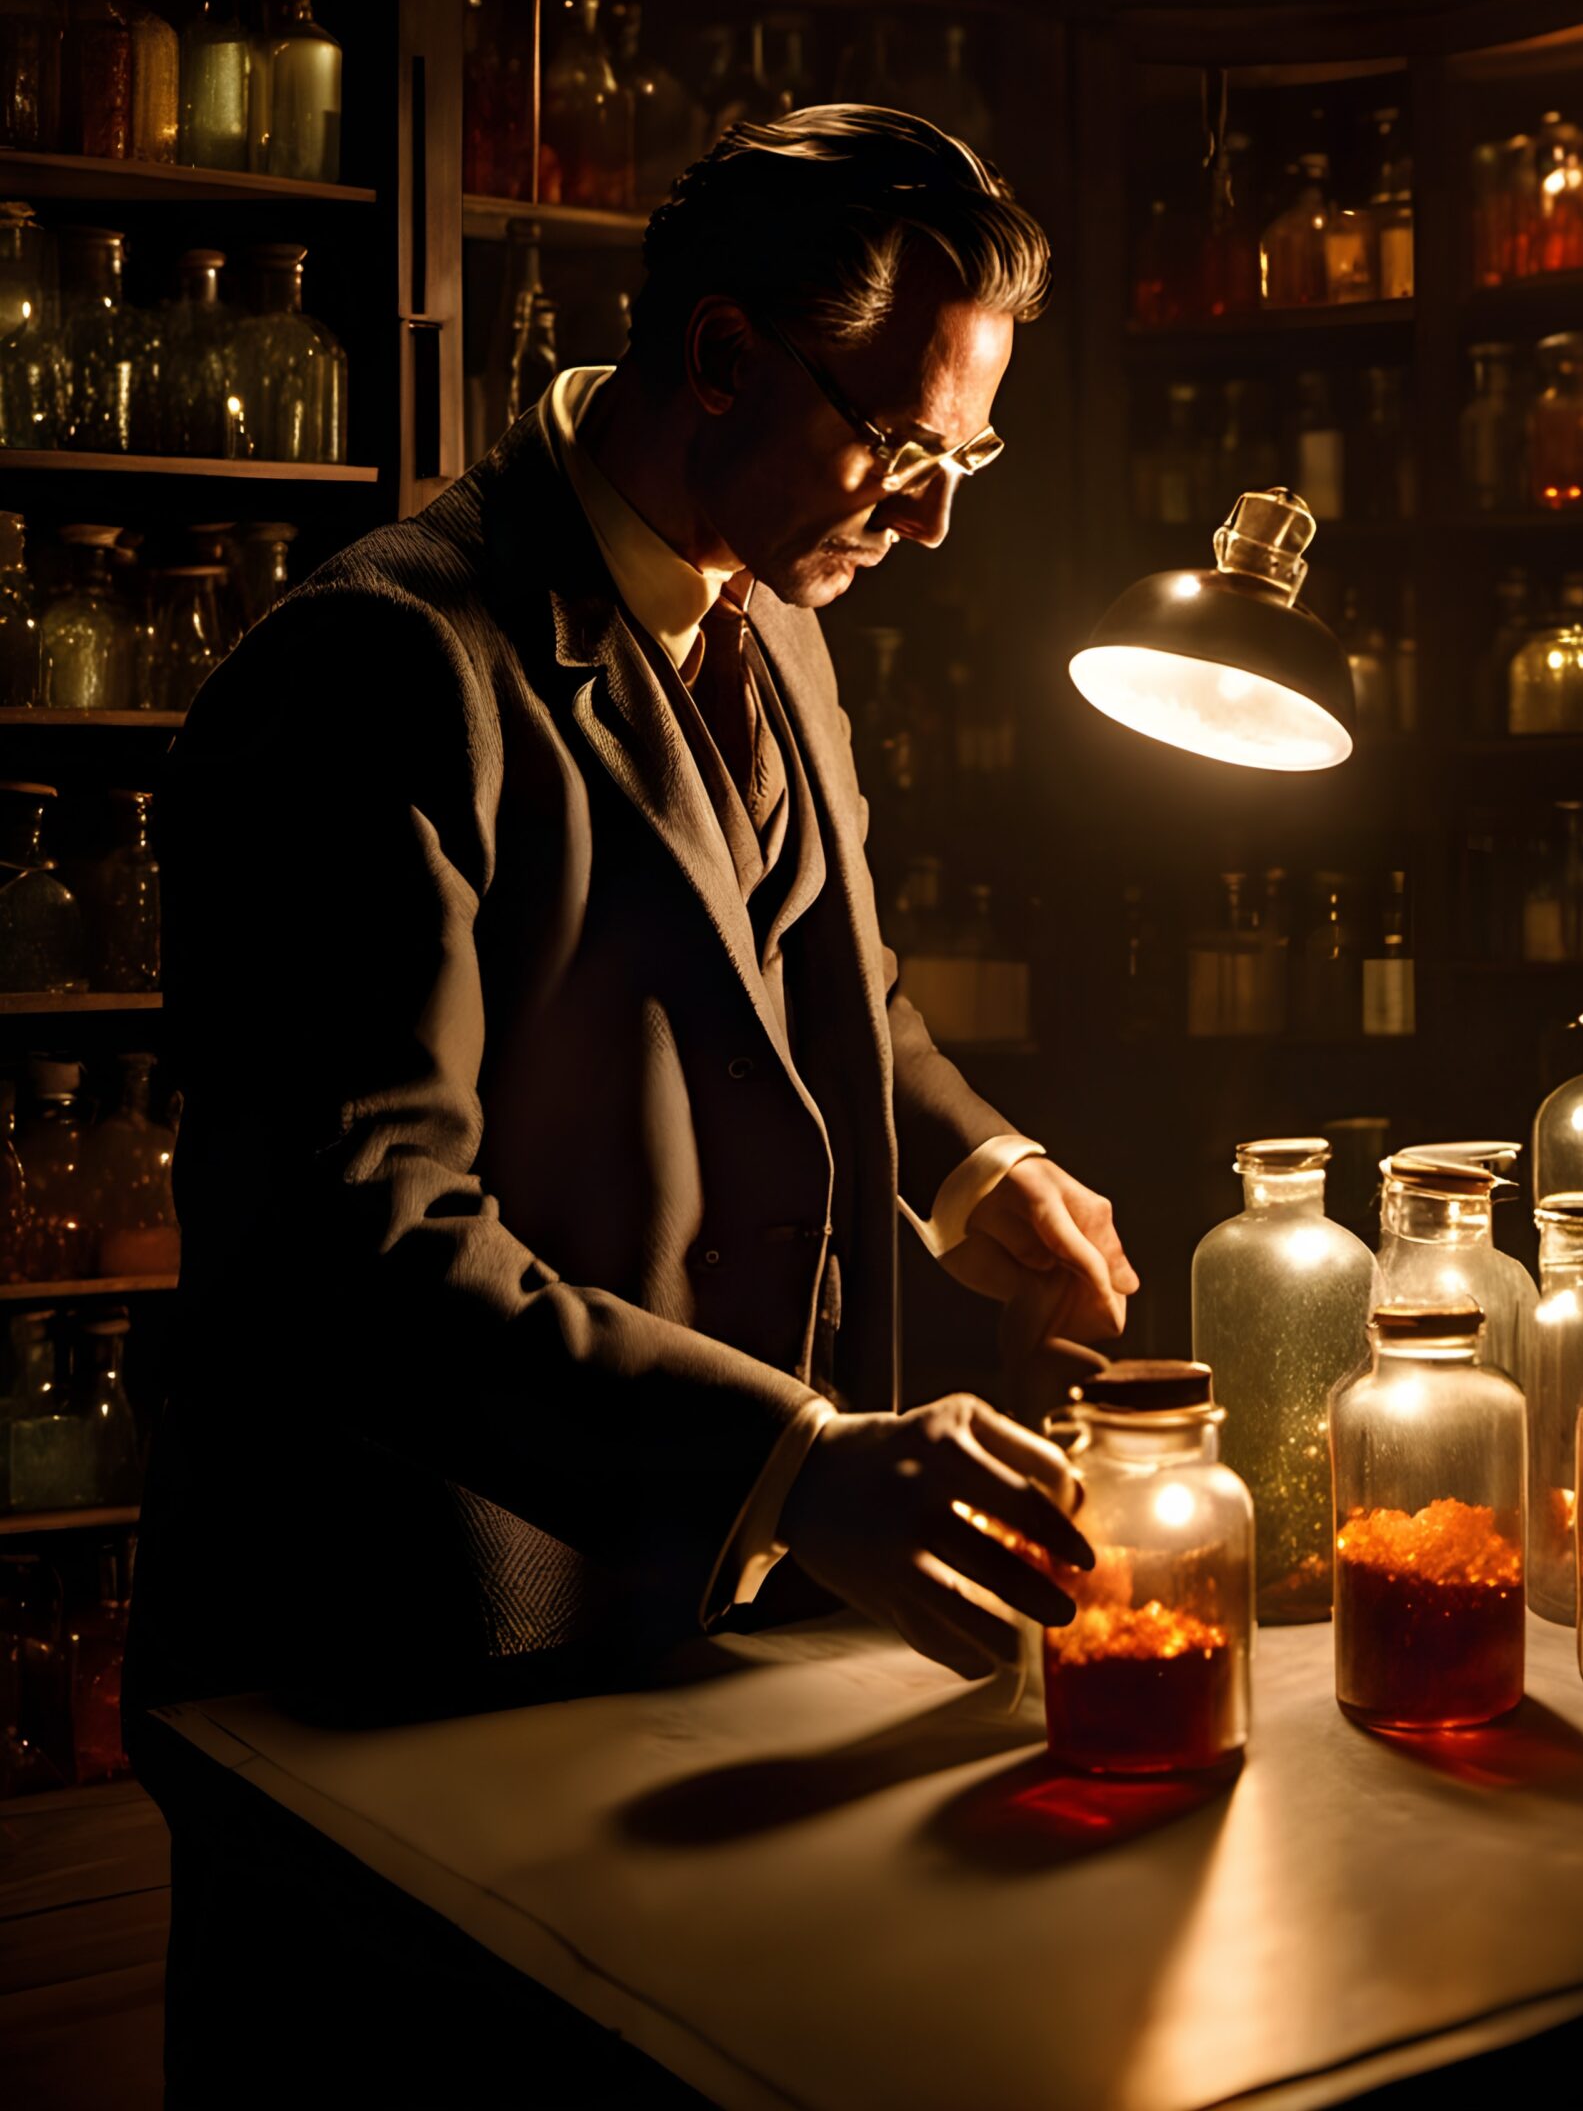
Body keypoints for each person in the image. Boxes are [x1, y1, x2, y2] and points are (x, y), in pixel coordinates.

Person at [135, 106, 1134, 1726]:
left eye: (967, 457)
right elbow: (360, 1240)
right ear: (725, 354)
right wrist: (796, 1468)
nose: (934, 516)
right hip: (407, 1654)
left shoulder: (774, 592)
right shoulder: (381, 668)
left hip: (694, 1639)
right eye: (901, 441)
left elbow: (826, 985)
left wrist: (978, 1170)